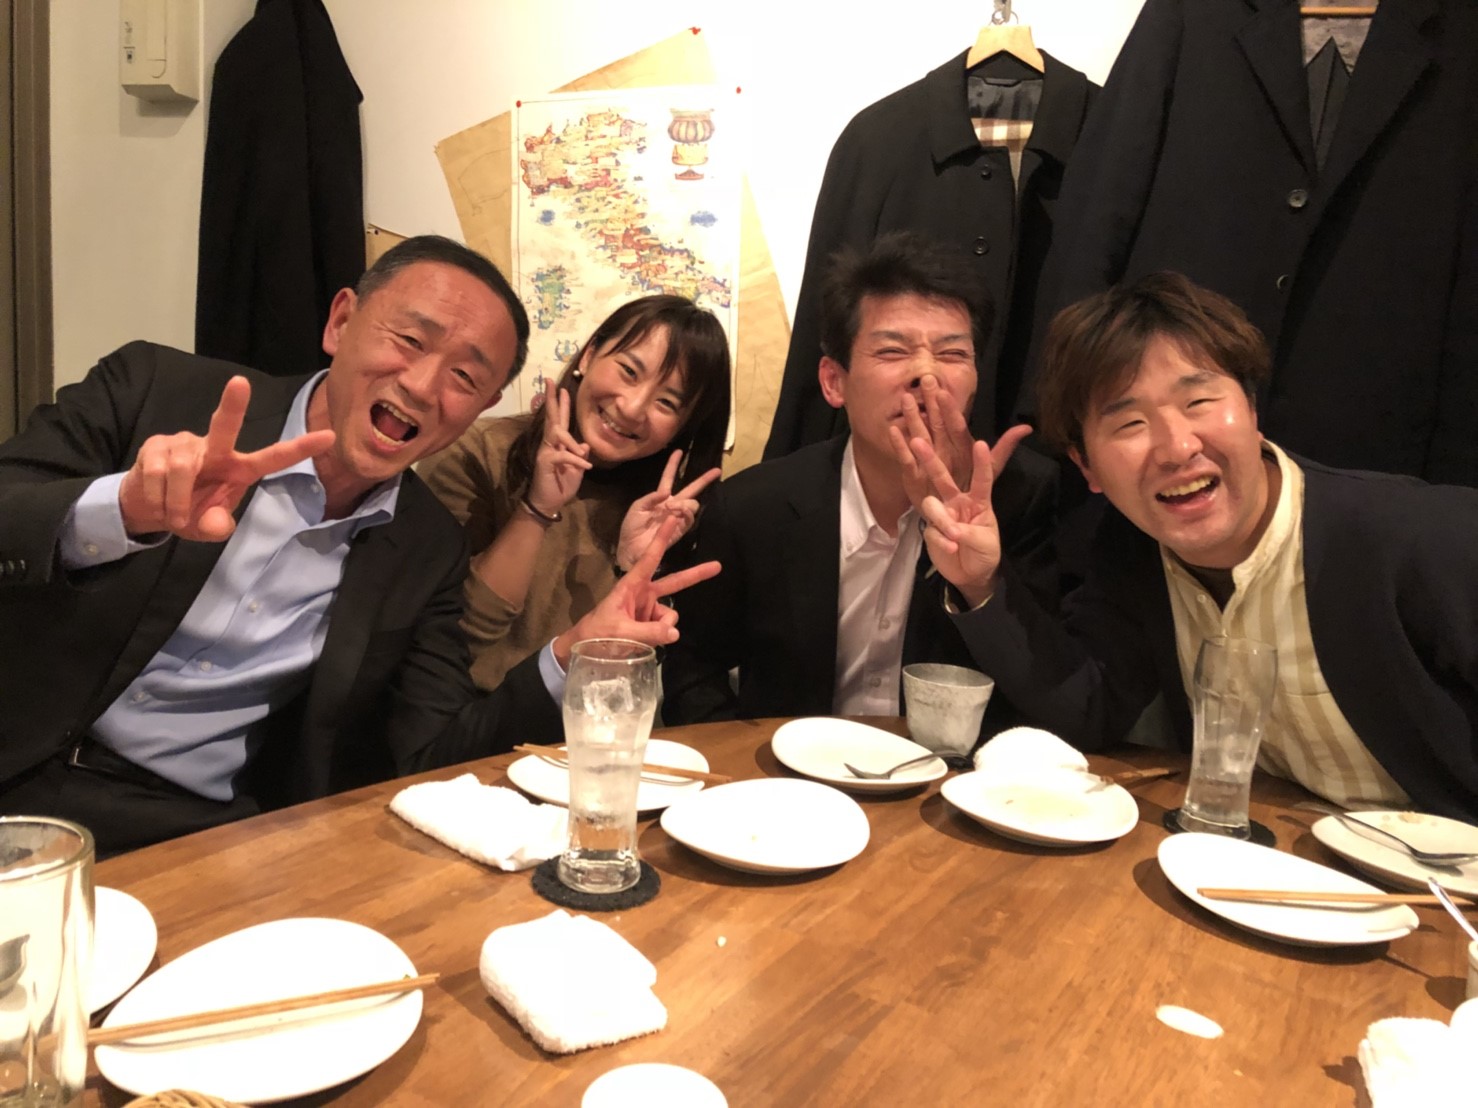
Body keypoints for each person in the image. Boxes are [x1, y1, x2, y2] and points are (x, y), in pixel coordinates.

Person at [0, 235, 718, 854]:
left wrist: (575, 651)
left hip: (200, 833)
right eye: (410, 340)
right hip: (18, 764)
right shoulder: (157, 391)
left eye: (465, 377)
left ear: (485, 401)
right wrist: (121, 510)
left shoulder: (426, 548)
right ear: (341, 321)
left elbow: (431, 750)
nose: (424, 385)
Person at [910, 271, 1478, 820]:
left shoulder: (1420, 539)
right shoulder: (1135, 547)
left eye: (1199, 402)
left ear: (1252, 410)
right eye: (1130, 424)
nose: (1177, 447)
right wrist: (980, 583)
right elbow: (1090, 707)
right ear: (1087, 467)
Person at [661, 232, 1058, 732]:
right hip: (788, 769)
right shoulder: (754, 506)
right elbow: (694, 671)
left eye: (953, 353)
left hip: (952, 774)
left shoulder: (1021, 497)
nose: (926, 375)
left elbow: (1050, 694)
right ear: (834, 381)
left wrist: (979, 587)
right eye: (892, 351)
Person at [420, 296, 731, 691]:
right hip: (473, 716)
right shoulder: (476, 454)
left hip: (597, 717)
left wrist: (632, 569)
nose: (633, 408)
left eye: (667, 402)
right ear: (589, 355)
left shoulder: (664, 506)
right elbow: (454, 638)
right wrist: (537, 509)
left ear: (684, 427)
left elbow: (638, 672)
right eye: (629, 371)